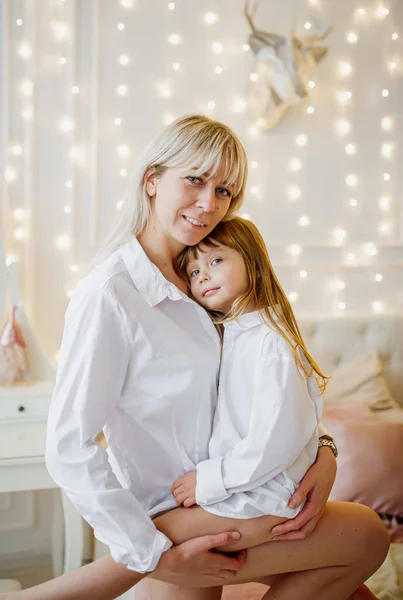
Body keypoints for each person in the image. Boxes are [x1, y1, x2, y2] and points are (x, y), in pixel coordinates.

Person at [3, 115, 388, 600]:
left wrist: (325, 454)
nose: (210, 204)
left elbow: (265, 394)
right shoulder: (110, 295)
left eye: (225, 190)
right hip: (174, 517)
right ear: (151, 181)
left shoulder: (214, 278)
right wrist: (150, 552)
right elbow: (67, 446)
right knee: (366, 537)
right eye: (194, 179)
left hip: (235, 495)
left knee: (355, 583)